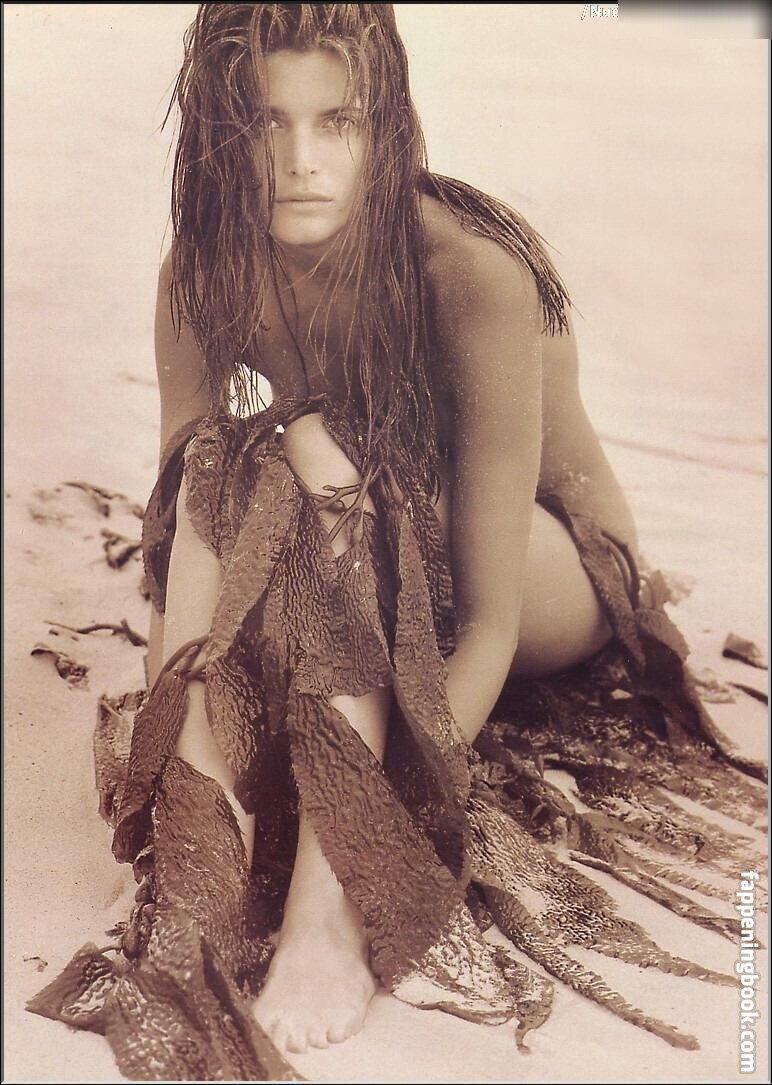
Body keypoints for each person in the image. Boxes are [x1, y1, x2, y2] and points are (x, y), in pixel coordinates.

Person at [29, 4, 764, 1079]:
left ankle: (326, 915)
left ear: (386, 126)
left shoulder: (469, 270)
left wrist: (363, 831)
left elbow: (491, 623)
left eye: (337, 121)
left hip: (538, 570)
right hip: (354, 560)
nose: (300, 160)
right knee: (233, 461)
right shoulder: (203, 266)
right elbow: (184, 542)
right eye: (265, 123)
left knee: (346, 489)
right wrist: (185, 801)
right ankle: (199, 872)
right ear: (221, 132)